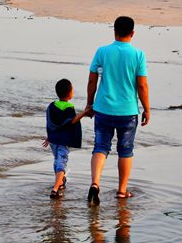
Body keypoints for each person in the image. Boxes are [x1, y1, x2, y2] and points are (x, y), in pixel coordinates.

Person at [83, 16, 150, 202]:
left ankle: (95, 183)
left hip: (103, 109)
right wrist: (147, 109)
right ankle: (121, 191)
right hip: (127, 112)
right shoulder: (138, 55)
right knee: (125, 150)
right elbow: (142, 86)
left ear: (114, 31)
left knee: (100, 147)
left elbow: (92, 80)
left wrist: (90, 104)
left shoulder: (102, 52)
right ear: (133, 33)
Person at [44, 78, 88, 199]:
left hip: (53, 140)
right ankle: (55, 189)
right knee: (61, 162)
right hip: (63, 141)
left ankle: (61, 182)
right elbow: (72, 121)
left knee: (57, 160)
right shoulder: (69, 107)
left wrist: (49, 136)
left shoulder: (51, 106)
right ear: (69, 93)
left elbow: (50, 123)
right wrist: (84, 113)